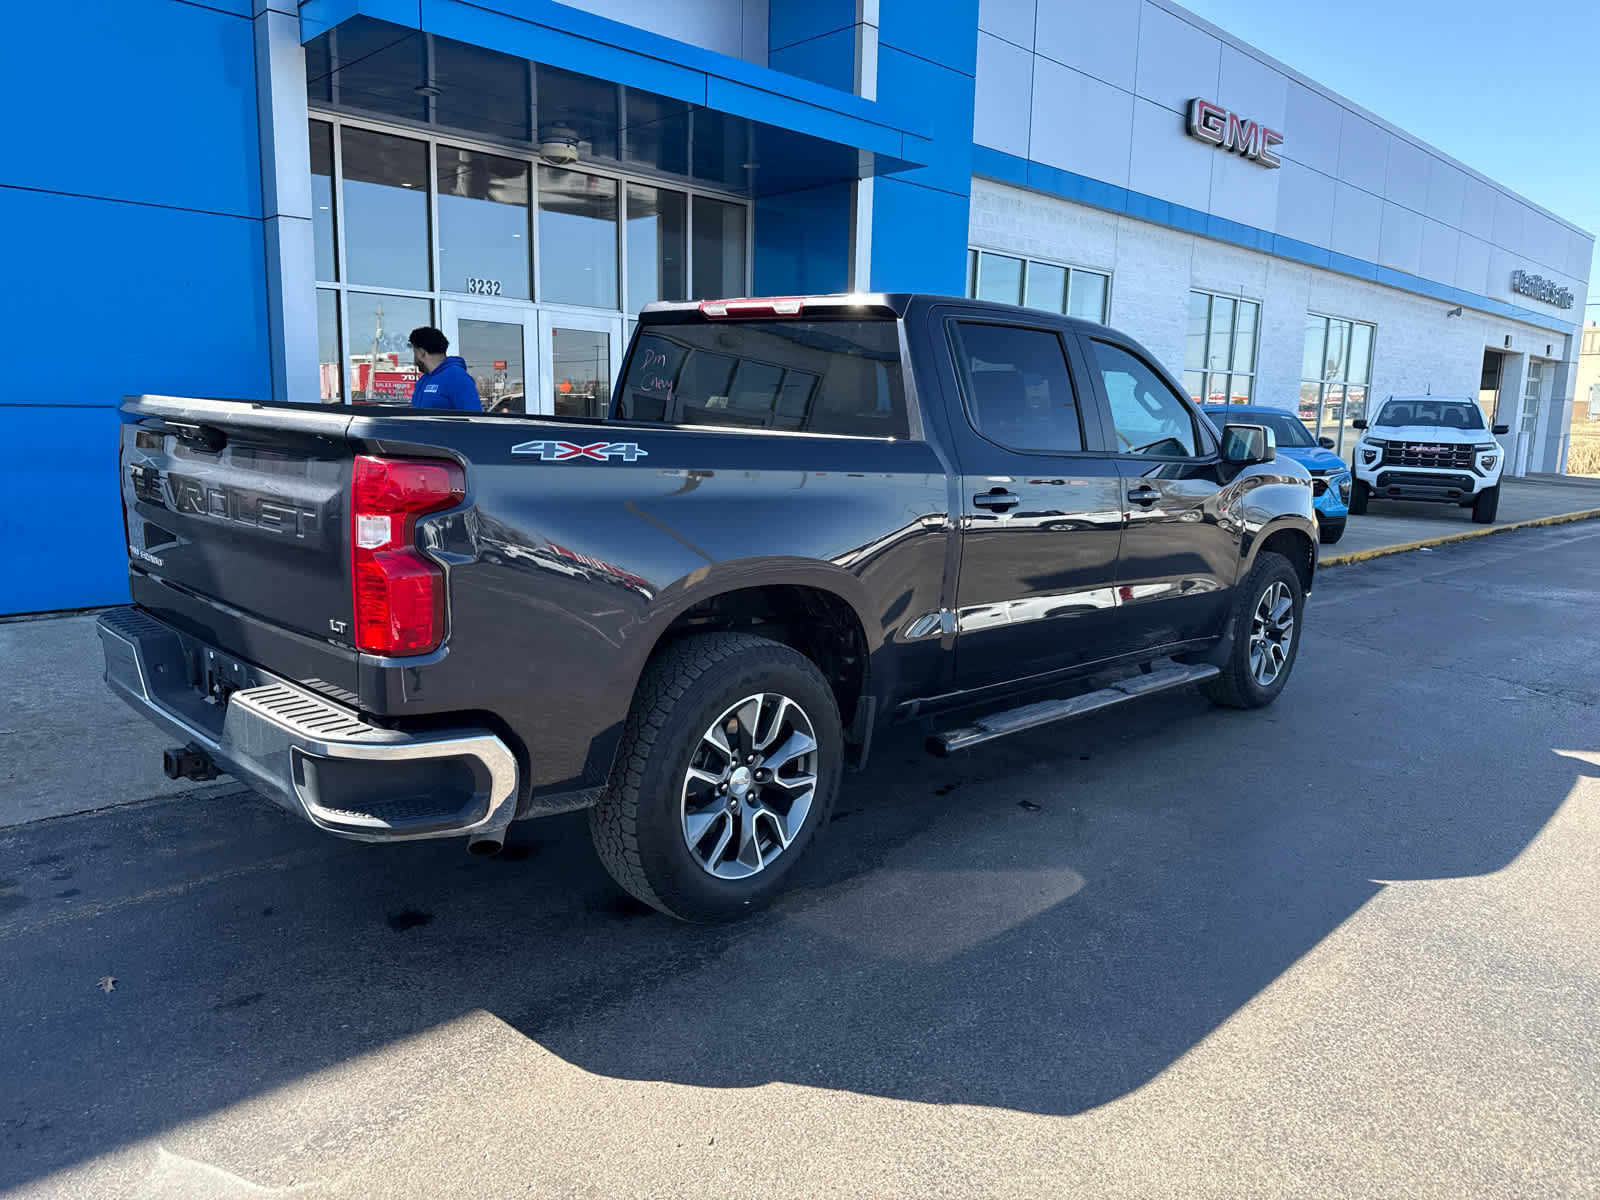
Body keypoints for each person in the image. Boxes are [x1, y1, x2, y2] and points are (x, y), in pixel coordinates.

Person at [407, 327, 482, 411]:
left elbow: (475, 417)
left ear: (421, 352)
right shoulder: (423, 381)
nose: (414, 358)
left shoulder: (457, 377)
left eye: (414, 352)